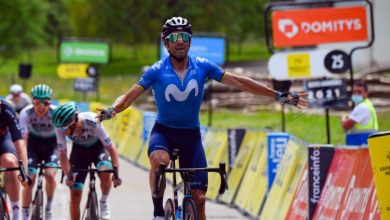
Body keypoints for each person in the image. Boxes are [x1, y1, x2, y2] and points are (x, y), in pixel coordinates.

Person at [98, 16, 307, 220]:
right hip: (164, 133)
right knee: (159, 162)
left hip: (191, 136)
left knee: (199, 198)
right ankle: (158, 211)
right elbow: (128, 97)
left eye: (184, 37)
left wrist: (277, 95)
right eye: (173, 38)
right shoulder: (156, 71)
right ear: (165, 43)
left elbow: (240, 82)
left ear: (190, 41)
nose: (179, 41)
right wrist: (112, 110)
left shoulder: (203, 66)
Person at [51, 102, 121, 220]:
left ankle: (103, 201)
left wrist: (116, 173)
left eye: (63, 127)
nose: (61, 130)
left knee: (105, 171)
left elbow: (111, 148)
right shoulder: (60, 129)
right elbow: (62, 154)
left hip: (98, 148)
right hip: (79, 153)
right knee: (75, 193)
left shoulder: (92, 120)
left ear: (72, 123)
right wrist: (69, 175)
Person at [19, 84, 58, 220]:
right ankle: (24, 214)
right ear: (32, 101)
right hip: (33, 145)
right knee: (29, 179)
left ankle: (48, 207)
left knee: (50, 175)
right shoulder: (26, 112)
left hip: (51, 145)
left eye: (45, 103)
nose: (41, 107)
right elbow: (23, 140)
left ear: (50, 103)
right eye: (37, 103)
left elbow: (62, 139)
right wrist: (22, 163)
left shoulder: (55, 113)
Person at [0, 100, 30, 220]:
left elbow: (20, 145)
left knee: (11, 162)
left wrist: (24, 174)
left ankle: (16, 213)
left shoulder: (7, 109)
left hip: (3, 139)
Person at [342, 80, 379, 145]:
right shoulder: (367, 104)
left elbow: (346, 125)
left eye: (359, 92)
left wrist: (343, 118)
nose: (356, 94)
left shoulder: (362, 107)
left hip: (360, 144)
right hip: (364, 143)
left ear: (366, 93)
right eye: (354, 92)